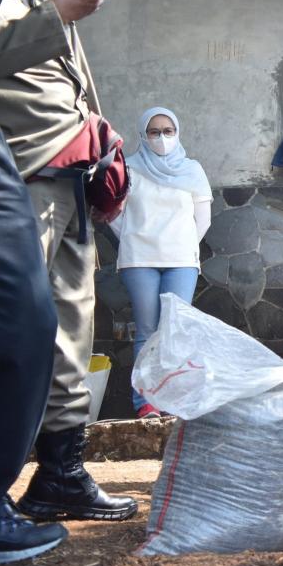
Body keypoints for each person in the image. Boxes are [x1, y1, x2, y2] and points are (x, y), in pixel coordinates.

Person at [0, 0, 137, 523]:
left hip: (70, 166)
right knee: (15, 335)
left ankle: (62, 472)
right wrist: (56, 15)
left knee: (72, 326)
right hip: (12, 173)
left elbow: (66, 69)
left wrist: (97, 137)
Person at [0, 0, 72, 562]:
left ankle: (57, 470)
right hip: (18, 159)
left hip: (63, 163)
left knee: (47, 325)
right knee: (14, 322)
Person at [112, 107, 212, 418]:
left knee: (175, 331)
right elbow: (115, 214)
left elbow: (203, 219)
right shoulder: (127, 167)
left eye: (168, 131)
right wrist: (133, 237)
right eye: (154, 132)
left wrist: (181, 246)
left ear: (177, 132)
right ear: (143, 134)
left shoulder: (192, 169)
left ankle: (173, 401)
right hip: (138, 258)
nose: (162, 137)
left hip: (181, 259)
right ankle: (146, 403)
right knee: (146, 330)